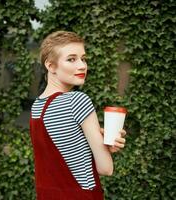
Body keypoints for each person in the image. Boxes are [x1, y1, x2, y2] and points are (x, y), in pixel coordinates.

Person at [29, 31, 126, 200]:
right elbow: (106, 168)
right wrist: (105, 150)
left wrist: (102, 146)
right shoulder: (77, 101)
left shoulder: (37, 106)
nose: (82, 65)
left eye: (83, 58)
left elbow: (68, 160)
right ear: (50, 66)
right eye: (71, 59)